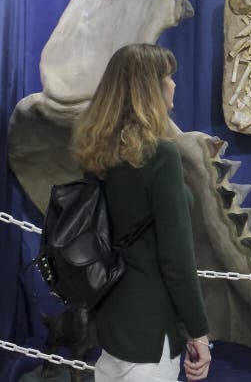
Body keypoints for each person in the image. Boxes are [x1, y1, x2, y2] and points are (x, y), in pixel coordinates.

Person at [71, 43, 212, 381]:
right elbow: (176, 259)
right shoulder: (161, 155)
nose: (173, 84)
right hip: (151, 331)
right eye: (167, 77)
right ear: (149, 89)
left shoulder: (97, 152)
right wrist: (199, 332)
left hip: (110, 318)